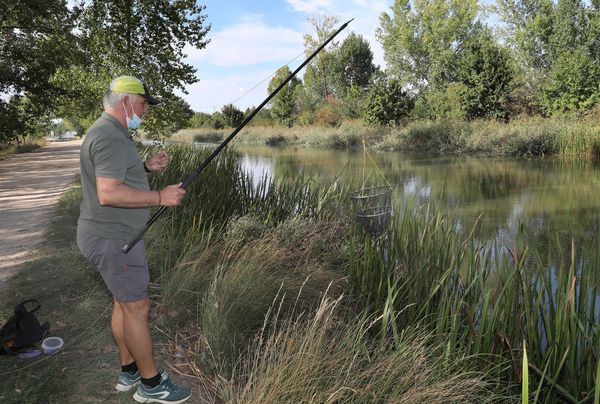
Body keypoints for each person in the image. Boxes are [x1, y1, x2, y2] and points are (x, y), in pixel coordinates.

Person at [77, 75, 191, 403]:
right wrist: (159, 197)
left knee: (122, 303)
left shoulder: (108, 131)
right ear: (126, 101)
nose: (146, 110)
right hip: (114, 240)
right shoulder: (110, 136)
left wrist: (145, 168)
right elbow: (109, 192)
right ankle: (151, 385)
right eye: (143, 103)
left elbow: (114, 176)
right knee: (137, 308)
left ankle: (128, 370)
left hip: (108, 235)